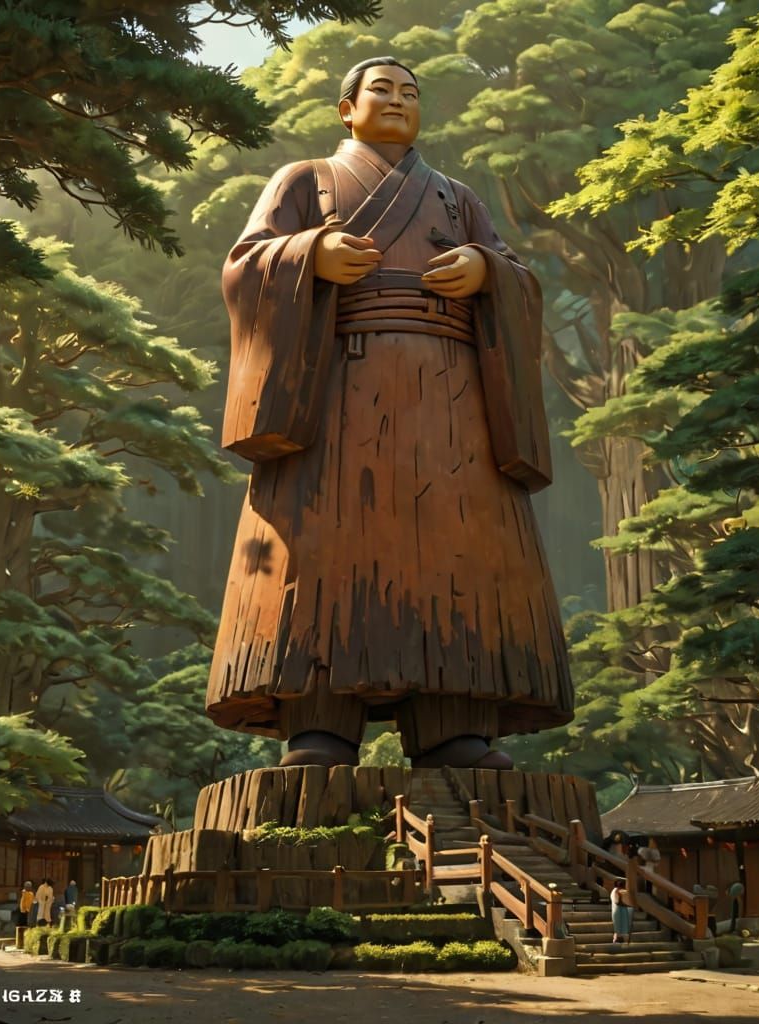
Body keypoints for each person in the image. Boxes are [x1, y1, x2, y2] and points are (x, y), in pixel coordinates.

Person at [207, 56, 573, 769]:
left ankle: (455, 722)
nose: (399, 100)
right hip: (334, 399)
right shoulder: (304, 180)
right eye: (383, 90)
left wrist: (487, 273)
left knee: (456, 549)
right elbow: (243, 264)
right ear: (347, 109)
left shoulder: (456, 198)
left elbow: (519, 278)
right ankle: (319, 721)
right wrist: (309, 253)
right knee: (323, 548)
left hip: (451, 401)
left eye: (411, 93)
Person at [611, 877, 634, 944]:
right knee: (619, 927)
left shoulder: (619, 891)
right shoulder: (616, 891)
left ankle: (621, 940)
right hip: (619, 909)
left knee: (622, 927)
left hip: (621, 910)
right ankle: (617, 939)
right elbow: (617, 901)